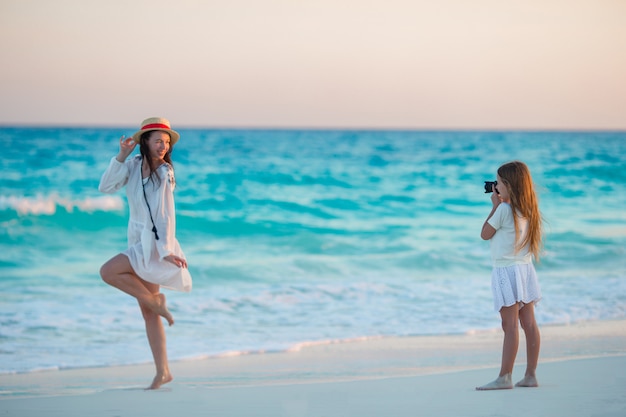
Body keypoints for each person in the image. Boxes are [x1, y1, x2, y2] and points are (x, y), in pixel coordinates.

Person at [99, 117, 192, 390]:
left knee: (108, 271)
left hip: (153, 243)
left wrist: (166, 250)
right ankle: (163, 371)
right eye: (158, 141)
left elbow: (166, 213)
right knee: (149, 311)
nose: (163, 146)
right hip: (137, 238)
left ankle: (156, 303)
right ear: (145, 142)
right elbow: (105, 187)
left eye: (166, 142)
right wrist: (122, 154)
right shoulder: (132, 165)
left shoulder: (165, 172)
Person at [476, 161, 543, 390]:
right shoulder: (528, 208)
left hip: (506, 270)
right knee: (529, 323)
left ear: (508, 185)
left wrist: (495, 205)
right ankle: (531, 374)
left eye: (499, 183)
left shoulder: (504, 210)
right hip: (524, 269)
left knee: (510, 325)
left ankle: (505, 377)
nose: (495, 187)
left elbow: (485, 234)